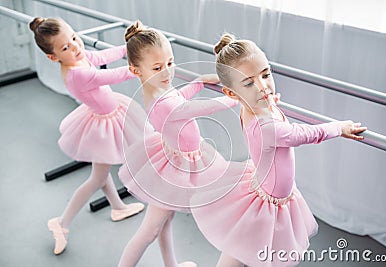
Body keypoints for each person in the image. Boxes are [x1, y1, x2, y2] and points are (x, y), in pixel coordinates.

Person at [190, 33, 368, 267]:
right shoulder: (265, 127)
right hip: (267, 203)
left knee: (241, 249)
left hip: (268, 190)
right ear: (232, 93)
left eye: (266, 74)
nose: (263, 86)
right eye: (249, 82)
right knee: (254, 253)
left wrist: (269, 101)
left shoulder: (253, 105)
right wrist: (339, 127)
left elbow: (264, 104)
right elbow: (303, 134)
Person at [118, 21, 249, 267]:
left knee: (162, 224)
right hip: (174, 168)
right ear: (136, 70)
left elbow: (180, 95)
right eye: (158, 67)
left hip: (175, 158)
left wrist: (199, 82)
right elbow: (198, 108)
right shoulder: (162, 102)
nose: (167, 72)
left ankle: (171, 264)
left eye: (170, 63)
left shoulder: (159, 90)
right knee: (149, 230)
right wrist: (235, 97)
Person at [29, 17, 147, 255]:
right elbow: (111, 76)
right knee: (97, 177)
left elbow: (103, 57)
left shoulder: (79, 57)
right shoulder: (76, 74)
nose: (75, 46)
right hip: (101, 124)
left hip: (107, 114)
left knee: (101, 173)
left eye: (74, 37)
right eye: (65, 47)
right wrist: (144, 65)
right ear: (53, 57)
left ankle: (117, 207)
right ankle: (61, 222)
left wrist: (130, 47)